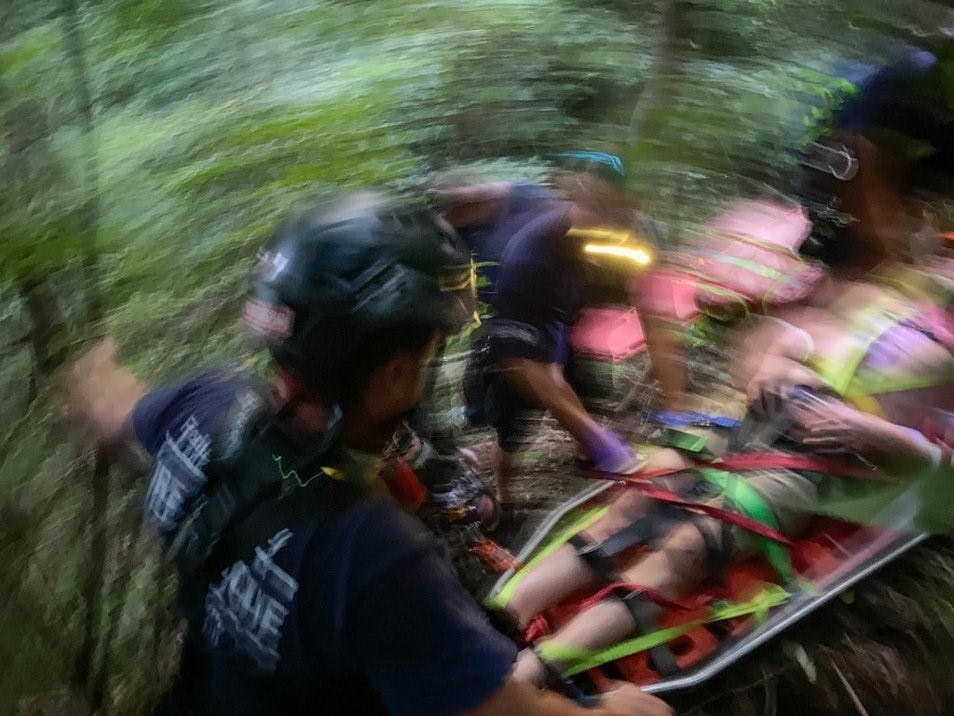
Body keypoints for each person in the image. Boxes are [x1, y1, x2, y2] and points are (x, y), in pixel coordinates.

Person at [63, 192, 671, 715]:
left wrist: (87, 363)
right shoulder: (370, 552)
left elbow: (109, 412)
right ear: (394, 372)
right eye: (429, 353)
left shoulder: (200, 406)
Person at [491, 48, 954, 685]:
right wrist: (778, 350)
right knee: (642, 493)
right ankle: (498, 618)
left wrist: (892, 440)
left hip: (835, 471)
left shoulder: (929, 302)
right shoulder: (857, 278)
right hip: (770, 429)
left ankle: (532, 676)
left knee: (689, 542)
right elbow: (774, 327)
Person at [450, 155, 651, 505]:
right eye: (597, 209)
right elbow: (542, 378)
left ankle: (587, 460)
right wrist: (612, 450)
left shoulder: (612, 234)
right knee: (514, 424)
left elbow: (646, 298)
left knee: (585, 391)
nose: (608, 223)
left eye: (617, 213)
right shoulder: (529, 259)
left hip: (565, 318)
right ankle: (502, 496)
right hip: (518, 323)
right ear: (580, 198)